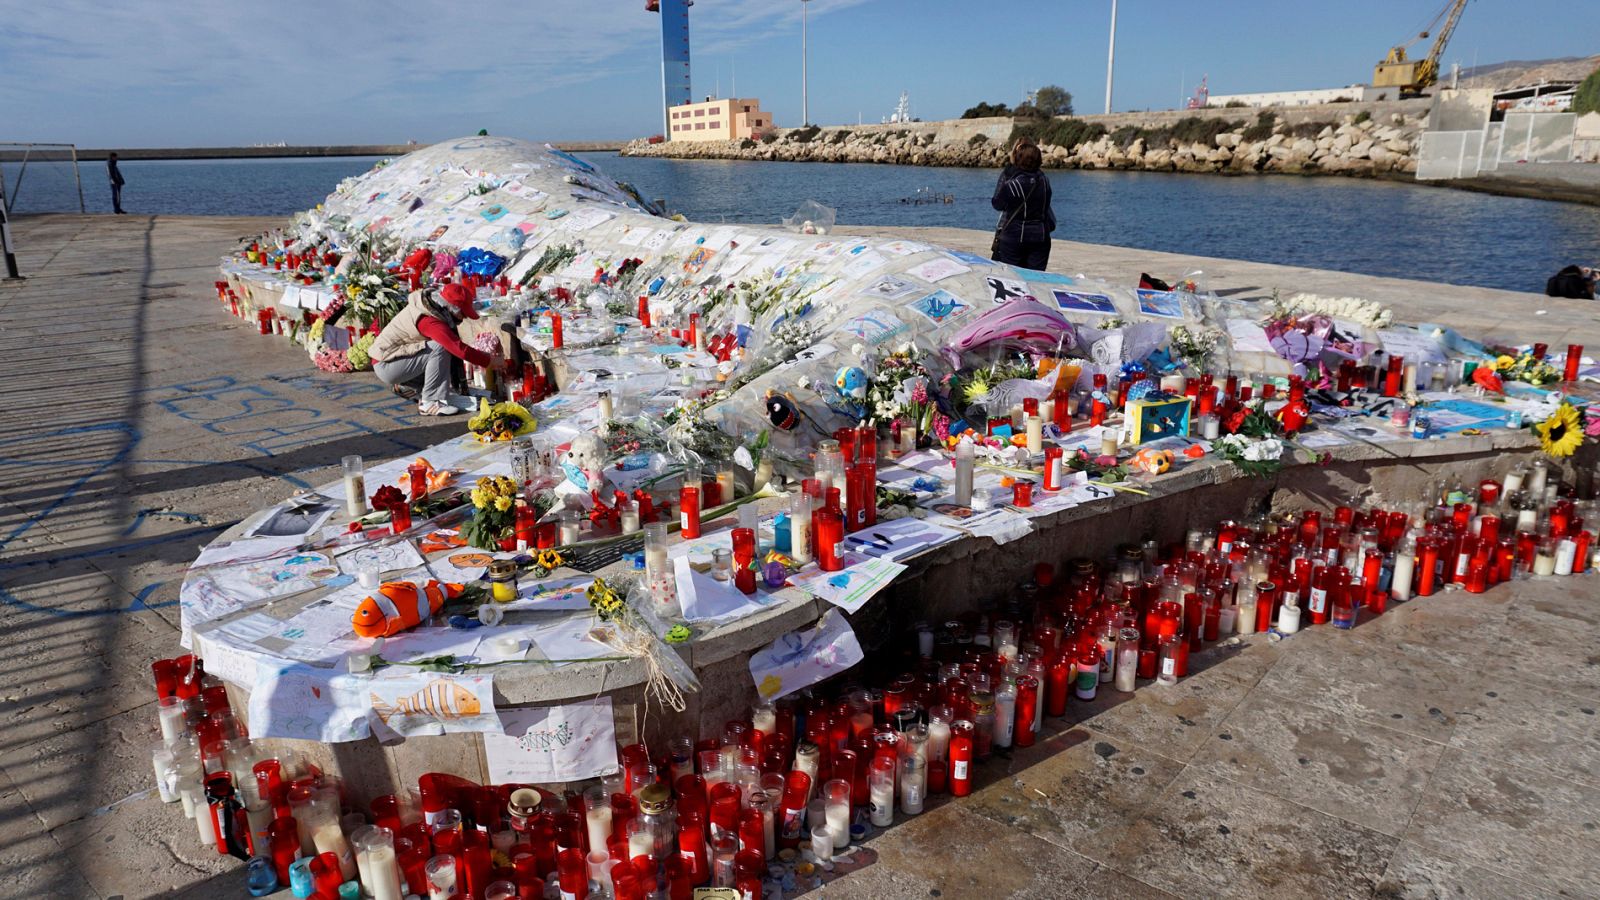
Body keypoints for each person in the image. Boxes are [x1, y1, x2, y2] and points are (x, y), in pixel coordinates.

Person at [370, 282, 494, 416]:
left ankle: (408, 386)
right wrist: (489, 361)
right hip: (386, 365)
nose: (464, 318)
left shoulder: (433, 309)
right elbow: (458, 348)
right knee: (440, 347)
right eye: (463, 313)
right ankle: (430, 401)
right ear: (453, 309)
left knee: (439, 351)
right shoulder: (429, 320)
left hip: (392, 361)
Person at [990, 140, 1054, 271]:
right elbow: (1046, 205)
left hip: (1014, 237)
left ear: (1019, 159)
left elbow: (997, 204)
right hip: (1040, 237)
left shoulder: (1012, 184)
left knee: (1012, 278)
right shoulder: (1044, 181)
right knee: (1036, 278)